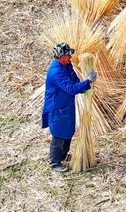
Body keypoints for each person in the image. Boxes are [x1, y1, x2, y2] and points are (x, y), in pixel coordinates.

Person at [42, 42, 97, 172]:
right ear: (60, 57)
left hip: (66, 105)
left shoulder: (67, 65)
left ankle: (64, 155)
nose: (71, 57)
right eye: (68, 55)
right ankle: (55, 162)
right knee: (58, 135)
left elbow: (75, 81)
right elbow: (71, 88)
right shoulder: (56, 72)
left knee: (67, 132)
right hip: (57, 108)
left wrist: (84, 87)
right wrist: (88, 82)